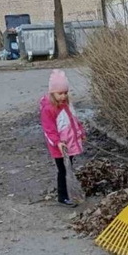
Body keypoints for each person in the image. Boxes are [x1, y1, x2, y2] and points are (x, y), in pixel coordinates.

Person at [40, 69, 86, 207]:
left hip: (70, 143)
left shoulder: (67, 104)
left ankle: (70, 191)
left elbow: (74, 121)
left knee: (69, 167)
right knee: (63, 170)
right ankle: (63, 196)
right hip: (59, 146)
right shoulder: (49, 109)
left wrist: (81, 133)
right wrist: (57, 142)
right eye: (60, 93)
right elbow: (49, 130)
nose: (63, 96)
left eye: (65, 93)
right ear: (52, 93)